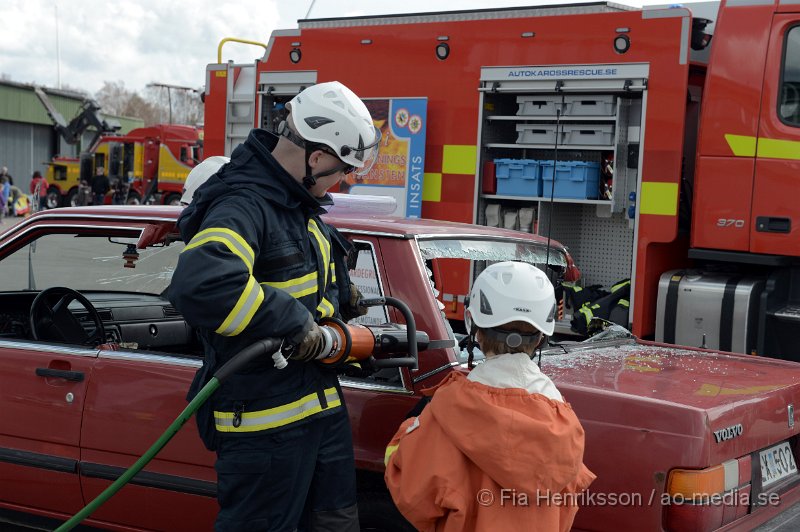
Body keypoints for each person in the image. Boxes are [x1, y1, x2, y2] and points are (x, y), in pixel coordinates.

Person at [168, 81, 380, 531]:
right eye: (341, 169)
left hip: (319, 412)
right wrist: (296, 323)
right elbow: (205, 284)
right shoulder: (244, 204)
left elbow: (296, 276)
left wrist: (344, 299)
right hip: (265, 427)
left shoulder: (294, 205)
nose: (340, 181)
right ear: (317, 157)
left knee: (333, 524)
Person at [384, 261, 596, 532]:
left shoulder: (447, 410)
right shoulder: (565, 426)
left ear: (474, 327)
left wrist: (409, 430)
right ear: (542, 336)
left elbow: (411, 492)